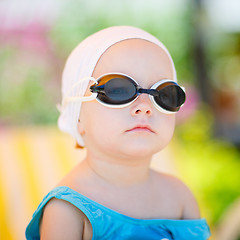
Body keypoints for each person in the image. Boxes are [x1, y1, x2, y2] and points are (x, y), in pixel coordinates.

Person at [25, 26, 211, 240]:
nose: (145, 106)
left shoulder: (179, 196)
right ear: (77, 116)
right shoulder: (67, 210)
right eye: (118, 90)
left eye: (164, 94)